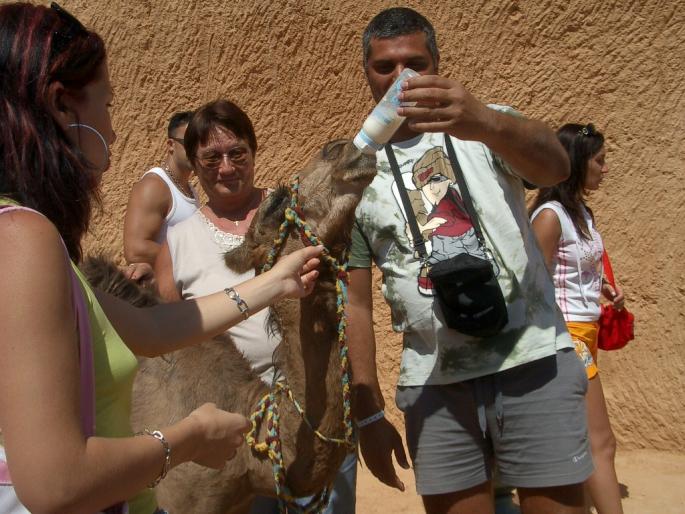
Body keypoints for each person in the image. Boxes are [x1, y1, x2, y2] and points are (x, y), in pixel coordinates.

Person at [0, 4, 322, 514]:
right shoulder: (21, 237)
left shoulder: (29, 240)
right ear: (62, 107)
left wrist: (276, 283)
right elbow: (56, 484)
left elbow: (152, 329)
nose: (113, 128)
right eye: (106, 105)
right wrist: (187, 441)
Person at [346, 7, 591, 514]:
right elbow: (357, 304)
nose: (401, 79)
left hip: (534, 361)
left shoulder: (485, 123)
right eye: (385, 67)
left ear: (436, 63)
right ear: (366, 73)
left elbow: (556, 164)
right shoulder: (355, 168)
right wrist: (366, 412)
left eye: (415, 63)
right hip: (435, 382)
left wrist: (486, 122)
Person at [155, 99, 357, 514]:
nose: (226, 167)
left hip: (316, 410)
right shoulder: (176, 244)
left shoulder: (297, 218)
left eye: (236, 153)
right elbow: (170, 349)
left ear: (253, 150)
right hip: (235, 437)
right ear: (193, 162)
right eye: (211, 157)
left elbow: (346, 299)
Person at [530, 123, 624, 514]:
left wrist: (603, 288)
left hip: (586, 334)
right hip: (566, 338)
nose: (605, 169)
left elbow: (572, 269)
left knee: (584, 440)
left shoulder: (581, 212)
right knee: (600, 441)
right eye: (599, 161)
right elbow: (532, 284)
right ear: (579, 163)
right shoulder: (549, 216)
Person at [123, 110, 199, 267]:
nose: (197, 150)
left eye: (201, 144)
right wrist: (193, 258)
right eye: (190, 143)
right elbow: (135, 250)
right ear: (171, 145)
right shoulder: (155, 185)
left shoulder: (190, 189)